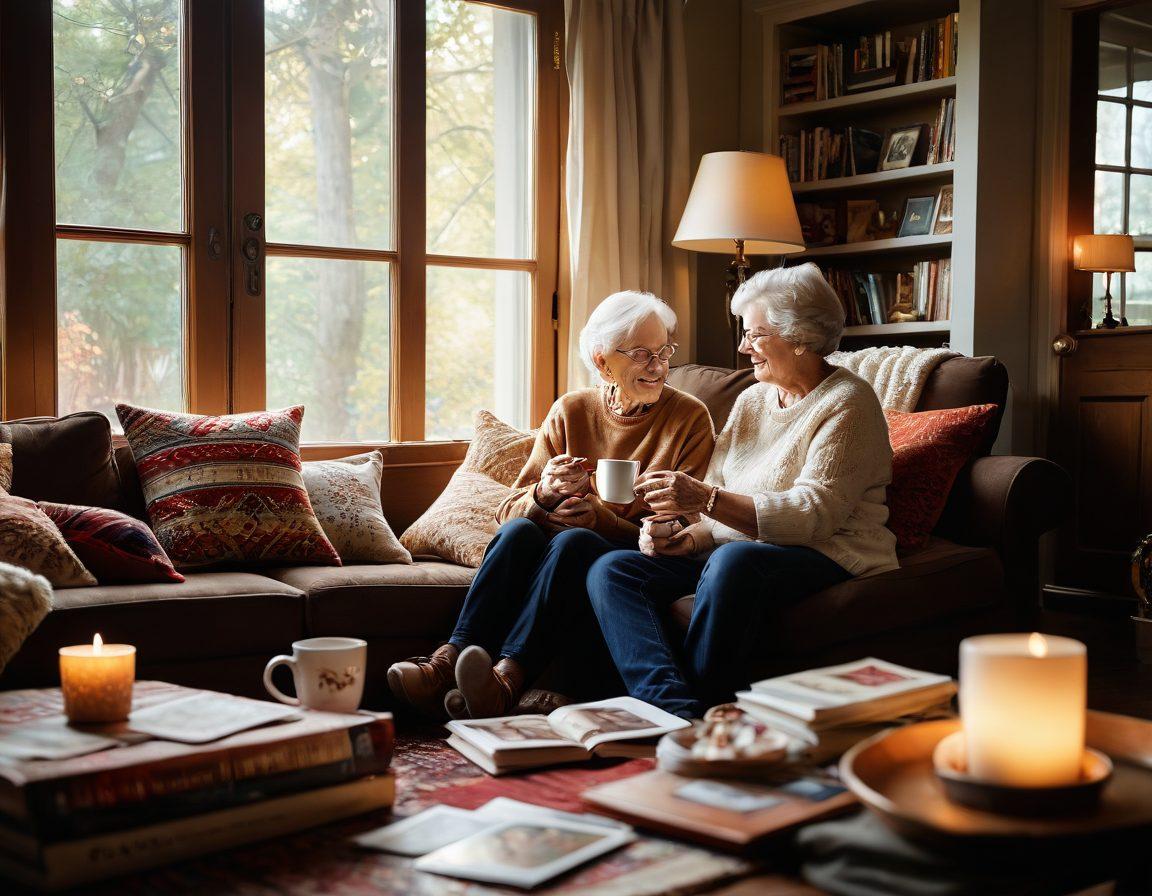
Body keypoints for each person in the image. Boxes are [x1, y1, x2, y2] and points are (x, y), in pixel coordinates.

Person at [586, 263, 899, 720]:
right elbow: (717, 495)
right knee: (613, 569)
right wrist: (683, 538)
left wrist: (706, 502)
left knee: (735, 561)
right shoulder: (753, 399)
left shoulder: (848, 402)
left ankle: (706, 708)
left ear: (799, 336)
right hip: (739, 553)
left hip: (829, 552)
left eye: (753, 334)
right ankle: (674, 712)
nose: (741, 346)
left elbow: (814, 514)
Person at [387, 290, 715, 720]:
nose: (658, 366)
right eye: (641, 354)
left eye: (663, 351)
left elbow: (683, 529)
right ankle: (447, 661)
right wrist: (543, 495)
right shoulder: (571, 410)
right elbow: (506, 513)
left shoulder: (690, 418)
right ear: (602, 362)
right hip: (561, 543)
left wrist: (599, 519)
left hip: (637, 557)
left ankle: (507, 679)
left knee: (574, 541)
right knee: (521, 530)